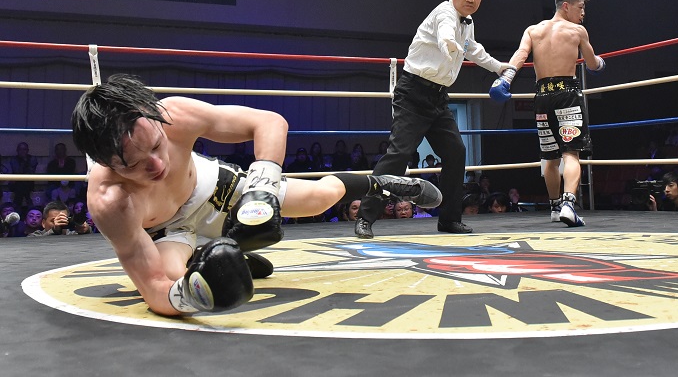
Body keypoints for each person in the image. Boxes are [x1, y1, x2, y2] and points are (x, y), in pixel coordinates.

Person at [70, 74, 442, 317]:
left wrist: (262, 190)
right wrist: (195, 296)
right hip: (169, 231)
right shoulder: (111, 201)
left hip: (212, 186)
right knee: (178, 278)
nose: (156, 165)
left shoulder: (174, 115)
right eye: (135, 165)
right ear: (105, 163)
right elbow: (154, 287)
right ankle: (219, 256)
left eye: (156, 145)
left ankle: (380, 183)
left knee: (318, 198)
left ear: (153, 116)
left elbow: (268, 122)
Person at [355, 0, 512, 239]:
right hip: (413, 93)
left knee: (456, 152)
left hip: (438, 97)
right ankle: (364, 217)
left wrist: (499, 67)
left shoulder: (467, 22)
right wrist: (449, 44)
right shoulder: (444, 13)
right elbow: (445, 34)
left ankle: (449, 219)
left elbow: (472, 48)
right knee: (399, 155)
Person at [490, 0, 605, 227]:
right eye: (580, 7)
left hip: (542, 96)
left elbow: (520, 55)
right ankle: (568, 205)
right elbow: (592, 64)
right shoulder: (577, 31)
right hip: (567, 95)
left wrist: (505, 79)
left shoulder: (533, 30)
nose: (583, 13)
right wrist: (601, 63)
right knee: (571, 153)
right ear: (566, 6)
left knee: (550, 156)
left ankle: (554, 207)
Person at [27, 200, 92, 236]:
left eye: (62, 219)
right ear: (43, 223)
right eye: (53, 221)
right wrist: (54, 230)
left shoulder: (71, 235)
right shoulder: (36, 235)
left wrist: (86, 229)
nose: (59, 223)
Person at [8, 142, 39, 207]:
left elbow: (30, 173)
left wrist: (24, 161)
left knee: (22, 186)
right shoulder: (13, 160)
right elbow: (17, 172)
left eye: (24, 149)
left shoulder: (32, 159)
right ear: (17, 151)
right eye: (20, 149)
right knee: (21, 186)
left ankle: (17, 207)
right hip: (16, 184)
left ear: (27, 150)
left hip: (28, 183)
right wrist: (24, 161)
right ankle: (29, 206)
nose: (22, 151)